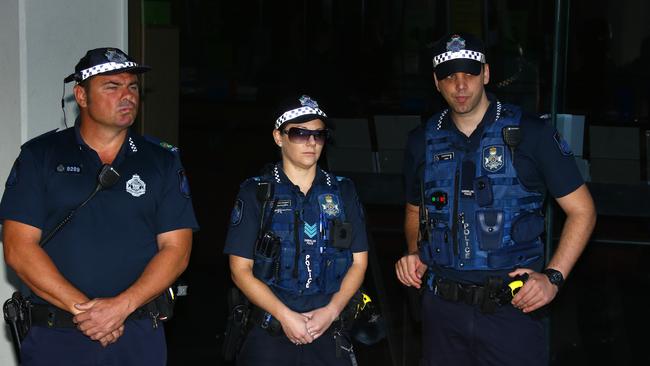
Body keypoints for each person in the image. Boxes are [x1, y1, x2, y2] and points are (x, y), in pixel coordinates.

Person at [395, 33, 596, 366]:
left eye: (470, 74)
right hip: (442, 311)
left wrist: (553, 278)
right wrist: (414, 252)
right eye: (449, 76)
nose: (460, 85)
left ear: (486, 74)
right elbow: (415, 210)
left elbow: (582, 211)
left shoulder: (531, 133)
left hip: (512, 309)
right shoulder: (422, 140)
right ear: (436, 82)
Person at [0, 47, 199, 365]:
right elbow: (18, 247)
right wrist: (88, 313)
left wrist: (120, 307)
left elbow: (177, 250)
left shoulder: (161, 161)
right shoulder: (40, 157)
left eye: (132, 86)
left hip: (136, 332)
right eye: (112, 86)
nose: (127, 95)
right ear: (81, 95)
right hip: (58, 334)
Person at [224, 95, 368, 365]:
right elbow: (239, 269)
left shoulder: (342, 190)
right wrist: (284, 316)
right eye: (300, 134)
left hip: (329, 329)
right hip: (271, 331)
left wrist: (332, 310)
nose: (311, 142)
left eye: (319, 135)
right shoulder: (256, 192)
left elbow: (359, 262)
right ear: (279, 137)